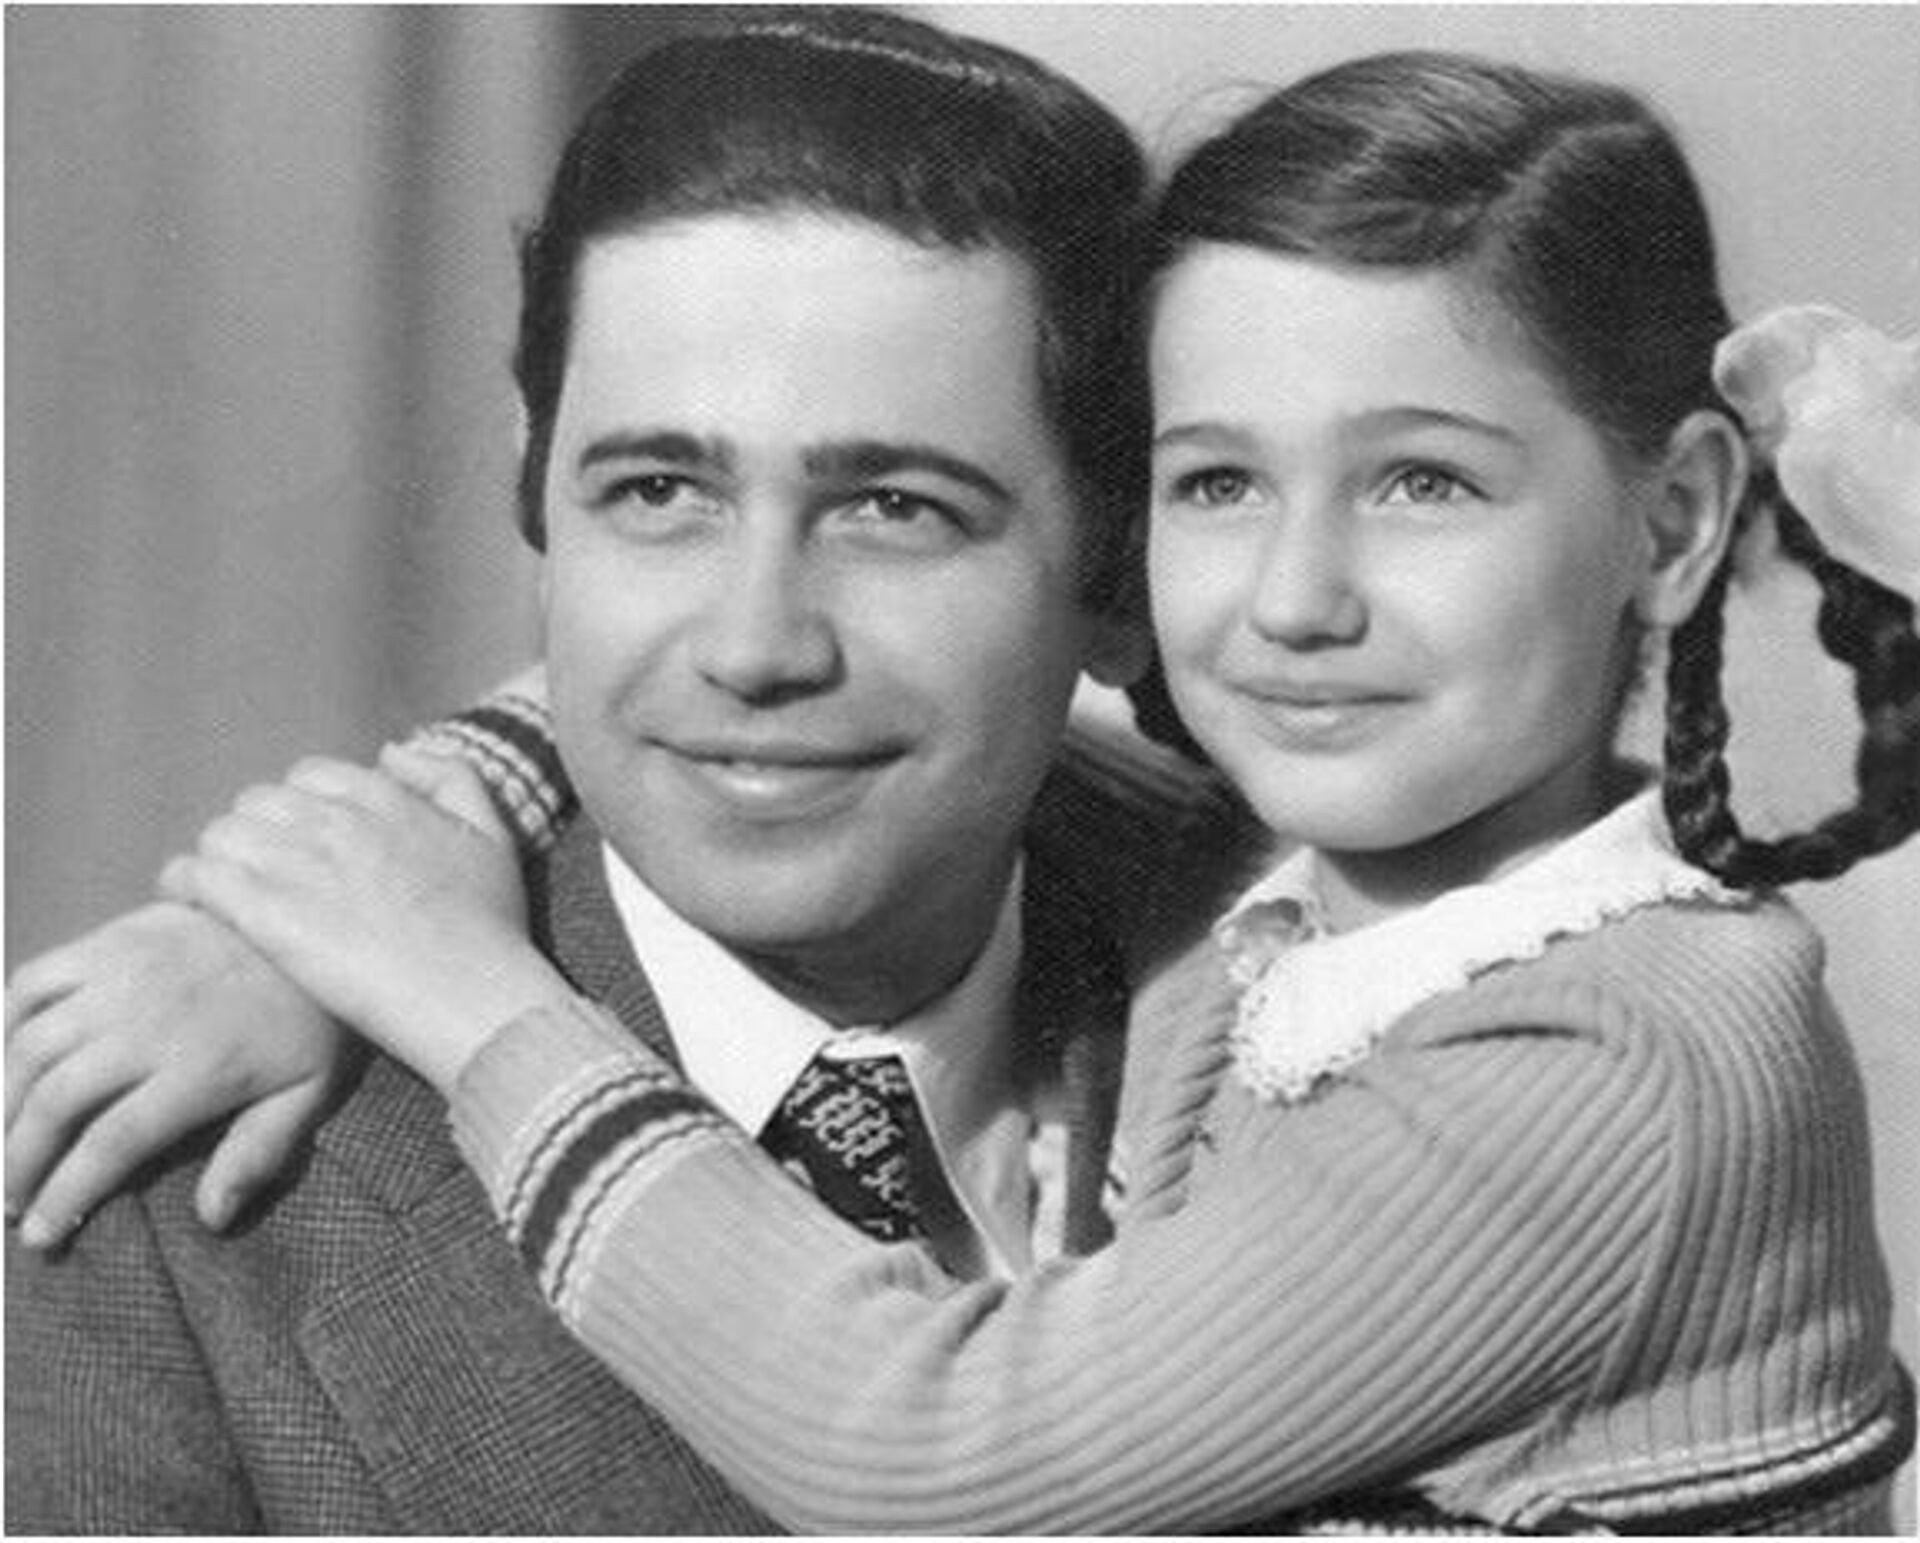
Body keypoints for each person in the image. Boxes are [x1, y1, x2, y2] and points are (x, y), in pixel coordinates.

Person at [89, 49, 1920, 1534]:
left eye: (900, 506)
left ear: (1676, 520)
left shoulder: (1619, 1046)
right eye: (1220, 484)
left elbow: (926, 1459)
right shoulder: (1286, 888)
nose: (1296, 600)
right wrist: (362, 861)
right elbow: (696, 704)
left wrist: (455, 984)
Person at [5, 10, 1265, 1531]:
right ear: (534, 487)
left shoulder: (1345, 1000)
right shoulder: (144, 1194)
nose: (754, 646)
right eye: (660, 490)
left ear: (1121, 568)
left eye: (895, 509)